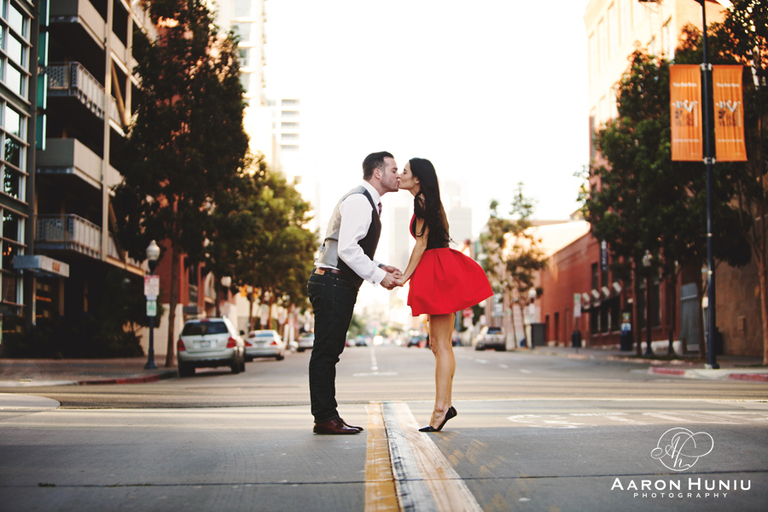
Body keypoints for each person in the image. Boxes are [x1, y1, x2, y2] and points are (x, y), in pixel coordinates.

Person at [307, 152, 402, 435]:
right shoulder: (361, 200)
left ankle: (327, 415)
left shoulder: (368, 201)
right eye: (394, 169)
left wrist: (379, 265)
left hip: (336, 282)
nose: (398, 174)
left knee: (329, 352)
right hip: (332, 283)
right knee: (326, 353)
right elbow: (348, 249)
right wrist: (379, 276)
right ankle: (324, 417)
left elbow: (351, 248)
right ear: (377, 173)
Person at [395, 158, 493, 432]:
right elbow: (442, 236)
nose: (400, 175)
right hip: (440, 269)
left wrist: (405, 276)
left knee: (440, 345)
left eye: (405, 171)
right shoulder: (432, 200)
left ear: (417, 178)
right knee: (440, 345)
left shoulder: (422, 201)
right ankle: (445, 405)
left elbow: (421, 243)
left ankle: (441, 409)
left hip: (436, 271)